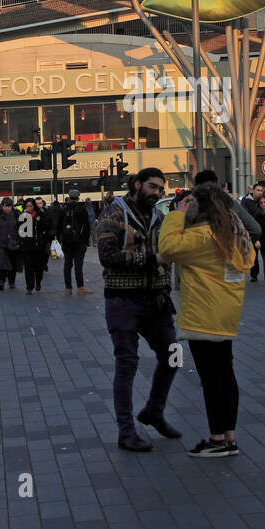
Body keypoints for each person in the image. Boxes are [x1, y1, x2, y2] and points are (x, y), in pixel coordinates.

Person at [157, 184, 254, 458]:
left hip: (203, 314)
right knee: (226, 374)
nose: (189, 206)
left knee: (211, 378)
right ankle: (230, 437)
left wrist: (176, 214)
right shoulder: (233, 234)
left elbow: (168, 247)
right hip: (227, 312)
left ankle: (217, 439)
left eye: (193, 202)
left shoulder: (202, 235)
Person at [96, 167, 180, 452]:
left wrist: (165, 283)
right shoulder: (113, 214)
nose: (157, 192)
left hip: (156, 300)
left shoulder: (159, 216)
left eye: (160, 189)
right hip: (123, 300)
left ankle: (154, 410)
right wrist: (151, 258)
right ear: (136, 185)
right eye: (153, 187)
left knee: (173, 355)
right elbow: (107, 256)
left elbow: (167, 254)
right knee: (127, 363)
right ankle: (126, 431)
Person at [57, 190, 92, 295]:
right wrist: (86, 241)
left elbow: (59, 226)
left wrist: (61, 239)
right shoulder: (82, 209)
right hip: (79, 241)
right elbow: (87, 227)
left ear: (69, 197)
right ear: (78, 197)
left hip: (66, 241)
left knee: (67, 264)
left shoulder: (64, 209)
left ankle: (68, 288)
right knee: (78, 264)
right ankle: (80, 287)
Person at [0, 198, 21, 290]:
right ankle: (1, 281)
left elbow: (21, 227)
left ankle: (11, 281)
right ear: (2, 206)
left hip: (13, 242)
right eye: (5, 206)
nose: (7, 208)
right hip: (0, 242)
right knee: (1, 262)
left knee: (12, 263)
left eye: (9, 206)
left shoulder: (16, 213)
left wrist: (20, 240)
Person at [19, 200, 51, 293]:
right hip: (27, 245)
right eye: (27, 206)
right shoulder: (23, 215)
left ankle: (38, 282)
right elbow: (18, 227)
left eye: (31, 206)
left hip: (39, 245)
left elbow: (46, 226)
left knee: (38, 267)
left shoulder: (40, 214)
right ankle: (29, 287)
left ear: (34, 206)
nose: (29, 208)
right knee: (28, 267)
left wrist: (38, 220)